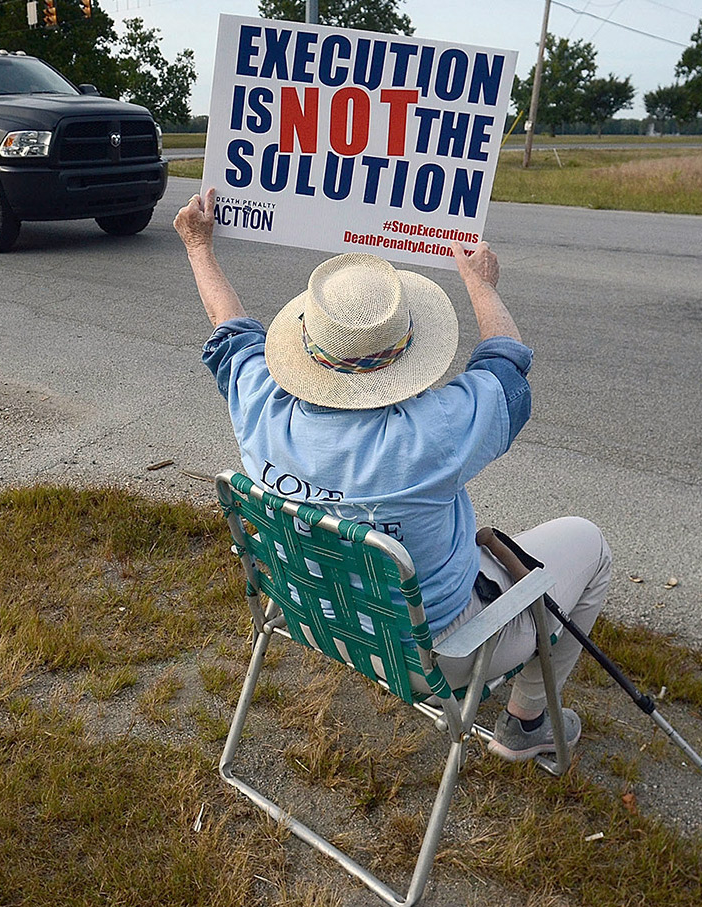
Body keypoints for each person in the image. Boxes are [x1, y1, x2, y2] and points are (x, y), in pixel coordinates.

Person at [175, 188, 612, 762]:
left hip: (319, 619)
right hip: (433, 654)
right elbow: (507, 364)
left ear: (308, 344)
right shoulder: (431, 435)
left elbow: (230, 333)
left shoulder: (260, 406)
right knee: (589, 543)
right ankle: (527, 723)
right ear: (407, 353)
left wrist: (198, 247)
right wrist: (480, 282)